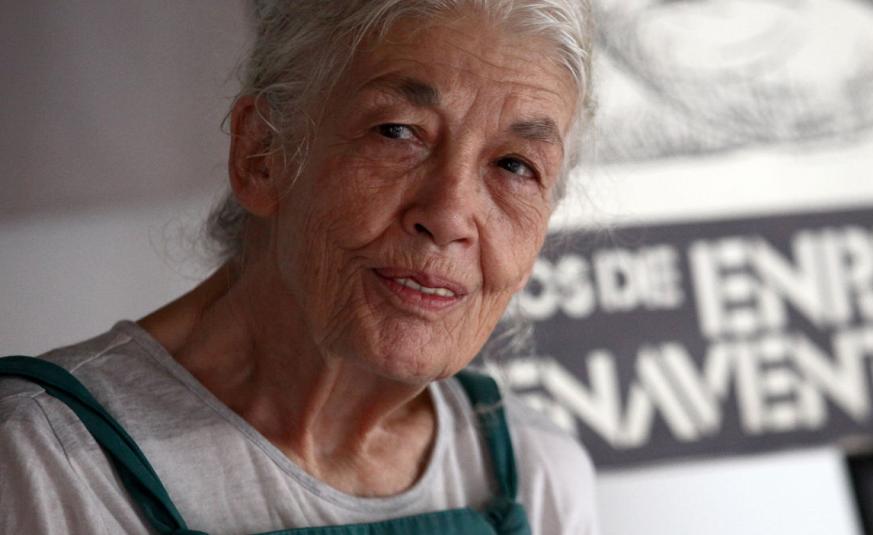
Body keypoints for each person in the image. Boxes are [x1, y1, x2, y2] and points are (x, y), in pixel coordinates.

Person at [0, 1, 599, 533]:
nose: (448, 216)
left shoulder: (535, 471)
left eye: (516, 166)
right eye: (397, 132)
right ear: (262, 155)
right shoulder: (44, 460)